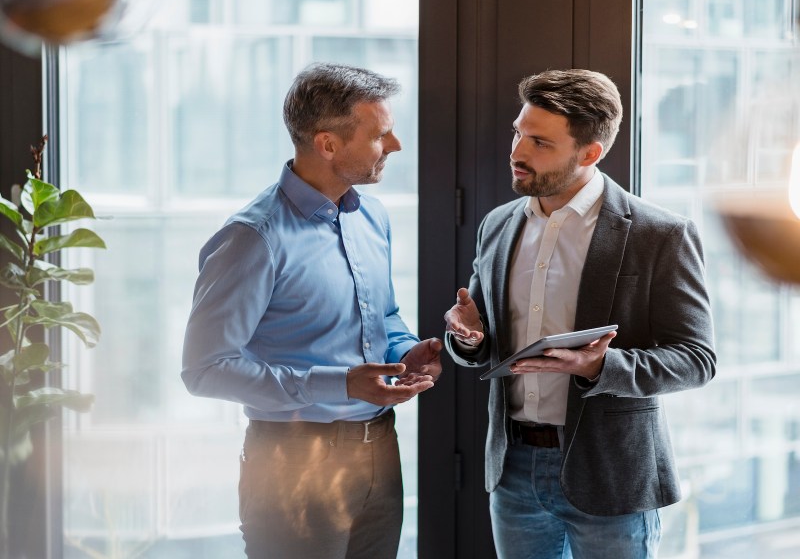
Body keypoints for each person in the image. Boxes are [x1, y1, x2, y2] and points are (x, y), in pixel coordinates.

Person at [443, 69, 716, 559]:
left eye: (540, 143)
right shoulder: (498, 225)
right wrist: (468, 338)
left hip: (610, 474)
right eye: (517, 132)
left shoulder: (660, 234)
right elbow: (482, 339)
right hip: (512, 470)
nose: (517, 152)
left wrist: (598, 367)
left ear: (590, 153)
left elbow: (697, 360)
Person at [182, 62, 442, 559]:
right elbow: (204, 370)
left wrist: (407, 351)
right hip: (290, 461)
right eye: (380, 134)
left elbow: (384, 315)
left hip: (379, 451)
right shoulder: (252, 238)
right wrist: (340, 383)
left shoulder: (372, 216)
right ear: (327, 144)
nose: (395, 145)